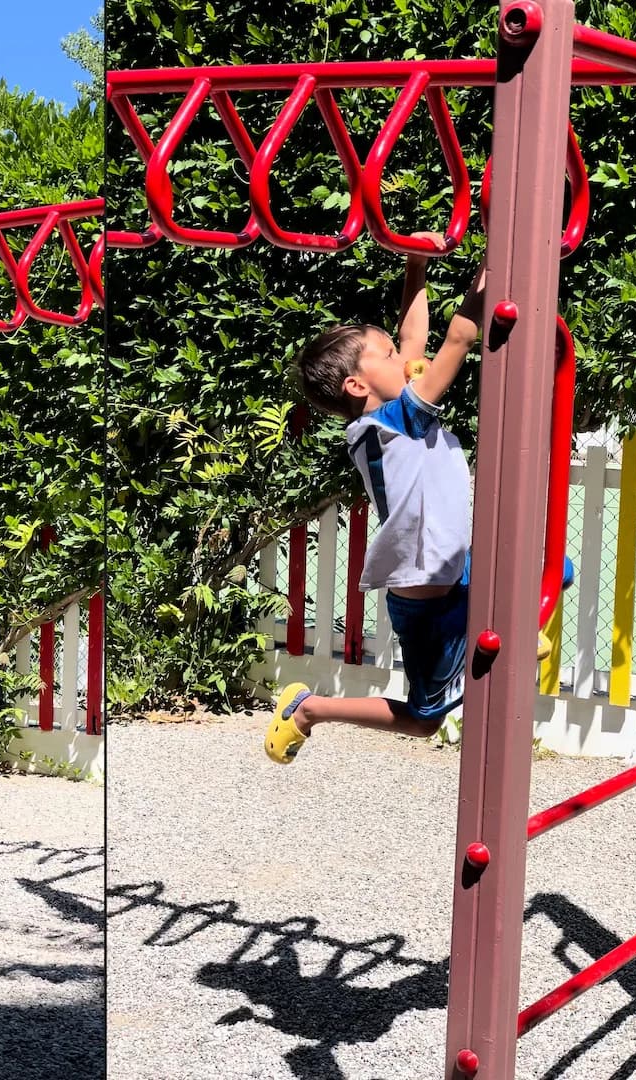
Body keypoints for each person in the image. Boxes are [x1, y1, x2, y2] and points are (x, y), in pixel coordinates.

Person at [268, 234, 487, 764]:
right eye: (388, 356)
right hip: (427, 598)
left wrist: (416, 265)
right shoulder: (392, 423)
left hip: (452, 571)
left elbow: (413, 337)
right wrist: (496, 256)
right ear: (356, 386)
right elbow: (459, 338)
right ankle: (309, 709)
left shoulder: (389, 415)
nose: (407, 359)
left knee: (554, 571)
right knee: (424, 720)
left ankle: (518, 637)